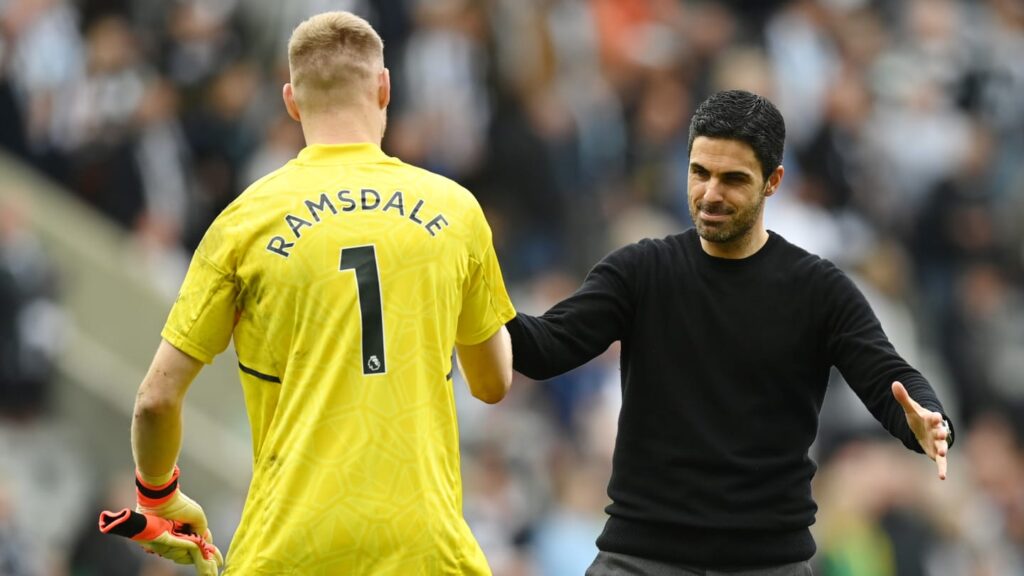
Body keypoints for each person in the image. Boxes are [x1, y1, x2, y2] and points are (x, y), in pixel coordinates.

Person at [126, 11, 515, 575]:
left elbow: (156, 399)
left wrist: (157, 496)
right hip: (425, 551)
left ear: (290, 101)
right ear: (384, 88)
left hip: (286, 550)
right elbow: (493, 382)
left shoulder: (246, 222)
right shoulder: (456, 211)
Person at [507, 89, 953, 576]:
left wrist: (925, 419)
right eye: (700, 173)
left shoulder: (818, 289)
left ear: (773, 181)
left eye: (733, 179)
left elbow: (889, 378)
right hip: (640, 559)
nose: (711, 193)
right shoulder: (642, 270)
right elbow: (542, 348)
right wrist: (465, 288)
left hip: (766, 564)